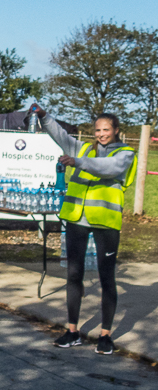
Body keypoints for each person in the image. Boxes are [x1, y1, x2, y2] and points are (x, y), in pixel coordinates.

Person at [34, 104, 137, 354]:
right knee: (73, 275)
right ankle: (72, 331)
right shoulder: (83, 147)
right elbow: (59, 134)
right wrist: (43, 117)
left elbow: (108, 168)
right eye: (97, 130)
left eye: (106, 130)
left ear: (116, 130)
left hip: (105, 222)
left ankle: (105, 335)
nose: (101, 134)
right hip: (76, 220)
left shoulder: (125, 153)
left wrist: (77, 161)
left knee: (106, 278)